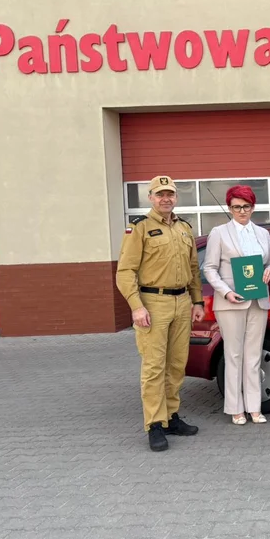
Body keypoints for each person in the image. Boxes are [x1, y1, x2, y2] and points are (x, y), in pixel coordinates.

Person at [116, 175, 206, 452]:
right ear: (151, 198)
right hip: (153, 303)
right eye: (160, 194)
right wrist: (136, 306)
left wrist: (197, 301)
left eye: (170, 194)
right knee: (154, 367)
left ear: (175, 197)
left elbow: (193, 269)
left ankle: (170, 417)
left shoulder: (184, 228)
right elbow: (125, 271)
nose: (165, 199)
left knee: (177, 364)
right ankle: (154, 424)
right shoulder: (139, 228)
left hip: (182, 302)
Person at [202, 185, 270, 425]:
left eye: (246, 206)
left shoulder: (262, 233)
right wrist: (226, 292)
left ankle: (254, 408)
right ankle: (235, 408)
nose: (242, 211)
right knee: (233, 355)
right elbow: (209, 268)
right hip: (230, 303)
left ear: (253, 207)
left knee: (254, 355)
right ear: (230, 208)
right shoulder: (219, 233)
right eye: (236, 207)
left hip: (258, 300)